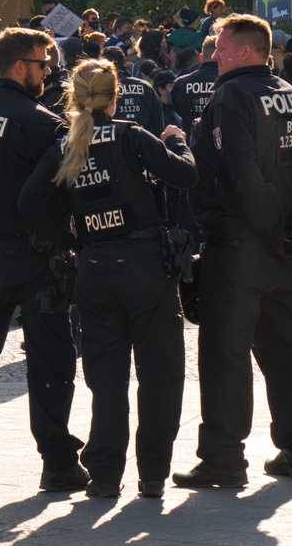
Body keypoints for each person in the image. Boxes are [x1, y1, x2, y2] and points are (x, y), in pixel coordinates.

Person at [176, 15, 292, 491]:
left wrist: (264, 231)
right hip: (284, 251)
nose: (214, 55)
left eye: (221, 48)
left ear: (246, 51)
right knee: (285, 352)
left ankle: (223, 455)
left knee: (225, 354)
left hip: (239, 246)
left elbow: (240, 173)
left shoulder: (230, 97)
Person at [44, 57, 196, 499]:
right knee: (160, 374)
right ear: (115, 97)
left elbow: (32, 201)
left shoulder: (66, 144)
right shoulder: (132, 136)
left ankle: (106, 474)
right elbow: (185, 175)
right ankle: (153, 473)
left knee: (106, 379)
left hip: (94, 267)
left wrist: (70, 235)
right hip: (146, 266)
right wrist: (179, 141)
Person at [0, 28, 84, 492]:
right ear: (21, 66)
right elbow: (57, 191)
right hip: (33, 254)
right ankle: (57, 461)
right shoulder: (41, 122)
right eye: (44, 65)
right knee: (50, 361)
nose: (48, 74)